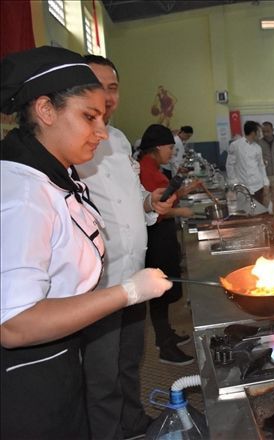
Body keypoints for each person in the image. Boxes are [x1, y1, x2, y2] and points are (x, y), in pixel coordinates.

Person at [0, 46, 172, 439]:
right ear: (45, 111)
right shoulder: (22, 193)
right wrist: (127, 291)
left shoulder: (52, 174)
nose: (100, 130)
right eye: (88, 116)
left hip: (58, 358)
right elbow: (14, 323)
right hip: (27, 381)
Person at [76, 55, 174, 439]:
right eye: (98, 87)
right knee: (101, 371)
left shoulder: (116, 138)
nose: (108, 96)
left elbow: (133, 197)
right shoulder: (72, 142)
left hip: (135, 272)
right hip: (99, 281)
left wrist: (151, 203)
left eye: (113, 87)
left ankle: (132, 421)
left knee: (130, 358)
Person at [138, 124, 201, 366]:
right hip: (156, 235)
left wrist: (185, 189)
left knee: (165, 287)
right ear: (157, 147)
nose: (172, 152)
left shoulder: (152, 166)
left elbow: (164, 197)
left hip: (161, 232)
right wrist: (181, 211)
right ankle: (164, 346)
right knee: (160, 290)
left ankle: (166, 335)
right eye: (169, 147)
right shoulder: (146, 170)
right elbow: (156, 208)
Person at [226, 120, 270, 204]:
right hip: (243, 188)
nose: (260, 135)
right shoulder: (235, 146)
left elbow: (261, 166)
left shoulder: (257, 147)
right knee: (245, 212)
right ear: (253, 133)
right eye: (259, 132)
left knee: (260, 211)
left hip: (258, 187)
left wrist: (266, 183)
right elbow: (229, 165)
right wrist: (234, 183)